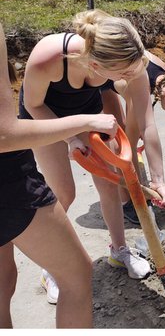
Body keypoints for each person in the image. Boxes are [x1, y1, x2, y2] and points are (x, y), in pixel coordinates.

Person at [18, 9, 165, 304]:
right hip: (44, 117)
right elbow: (33, 105)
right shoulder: (49, 57)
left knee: (109, 184)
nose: (130, 77)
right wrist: (71, 139)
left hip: (87, 115)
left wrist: (160, 180)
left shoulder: (134, 63)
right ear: (96, 64)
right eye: (123, 74)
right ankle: (53, 269)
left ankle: (119, 250)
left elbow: (148, 122)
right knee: (64, 192)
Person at [0, 24, 119, 328]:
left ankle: (121, 249)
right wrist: (82, 125)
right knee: (77, 276)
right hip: (9, 180)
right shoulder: (52, 57)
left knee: (3, 283)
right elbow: (5, 134)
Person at [101, 52, 165, 224]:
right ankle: (128, 203)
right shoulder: (140, 87)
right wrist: (139, 190)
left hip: (115, 73)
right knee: (118, 142)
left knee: (129, 128)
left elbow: (144, 117)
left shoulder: (164, 73)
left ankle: (132, 194)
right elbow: (127, 147)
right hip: (99, 76)